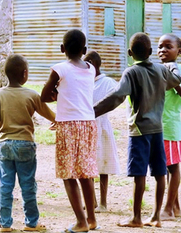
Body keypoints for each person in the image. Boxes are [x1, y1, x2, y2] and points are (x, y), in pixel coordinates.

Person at [93, 32, 181, 228]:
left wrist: (92, 111)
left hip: (139, 131)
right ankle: (156, 216)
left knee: (139, 174)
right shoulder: (161, 70)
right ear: (150, 51)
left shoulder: (131, 72)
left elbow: (117, 96)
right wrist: (172, 64)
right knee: (160, 173)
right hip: (158, 129)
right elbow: (176, 80)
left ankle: (136, 217)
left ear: (129, 52)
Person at [0, 54, 55, 232]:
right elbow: (50, 114)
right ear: (25, 74)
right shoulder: (31, 95)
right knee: (28, 185)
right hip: (25, 145)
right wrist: (57, 121)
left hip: (4, 146)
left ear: (6, 74)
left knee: (6, 186)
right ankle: (31, 223)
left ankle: (5, 224)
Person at [41, 29, 99, 233]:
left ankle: (81, 222)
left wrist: (56, 93)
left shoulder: (59, 69)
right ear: (84, 50)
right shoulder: (91, 68)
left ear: (62, 49)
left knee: (68, 174)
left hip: (68, 125)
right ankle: (91, 219)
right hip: (89, 124)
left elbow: (44, 96)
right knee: (86, 173)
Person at [157, 34, 181, 221]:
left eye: (168, 47)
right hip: (159, 125)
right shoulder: (160, 68)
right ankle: (175, 207)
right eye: (160, 46)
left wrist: (175, 82)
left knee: (172, 167)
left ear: (179, 51)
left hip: (169, 126)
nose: (163, 50)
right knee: (166, 166)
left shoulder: (177, 69)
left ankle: (168, 208)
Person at [83, 51, 120, 213]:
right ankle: (93, 201)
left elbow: (117, 97)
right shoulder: (83, 82)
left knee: (104, 164)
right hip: (85, 128)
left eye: (86, 63)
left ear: (92, 63)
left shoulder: (107, 82)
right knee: (87, 165)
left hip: (102, 127)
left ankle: (104, 202)